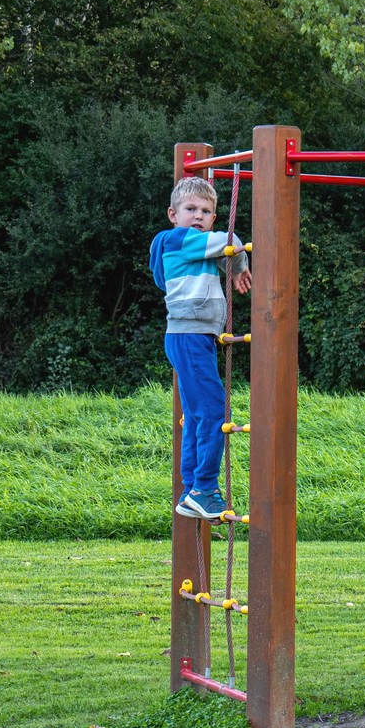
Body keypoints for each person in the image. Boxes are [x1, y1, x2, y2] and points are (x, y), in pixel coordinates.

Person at [149, 176, 251, 520]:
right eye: (190, 209)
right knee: (214, 411)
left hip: (191, 337)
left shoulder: (190, 246)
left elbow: (224, 248)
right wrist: (239, 266)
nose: (198, 216)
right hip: (190, 336)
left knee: (196, 415)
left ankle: (192, 488)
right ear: (172, 214)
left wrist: (228, 262)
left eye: (206, 211)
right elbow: (234, 241)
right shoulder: (182, 239)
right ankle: (204, 487)